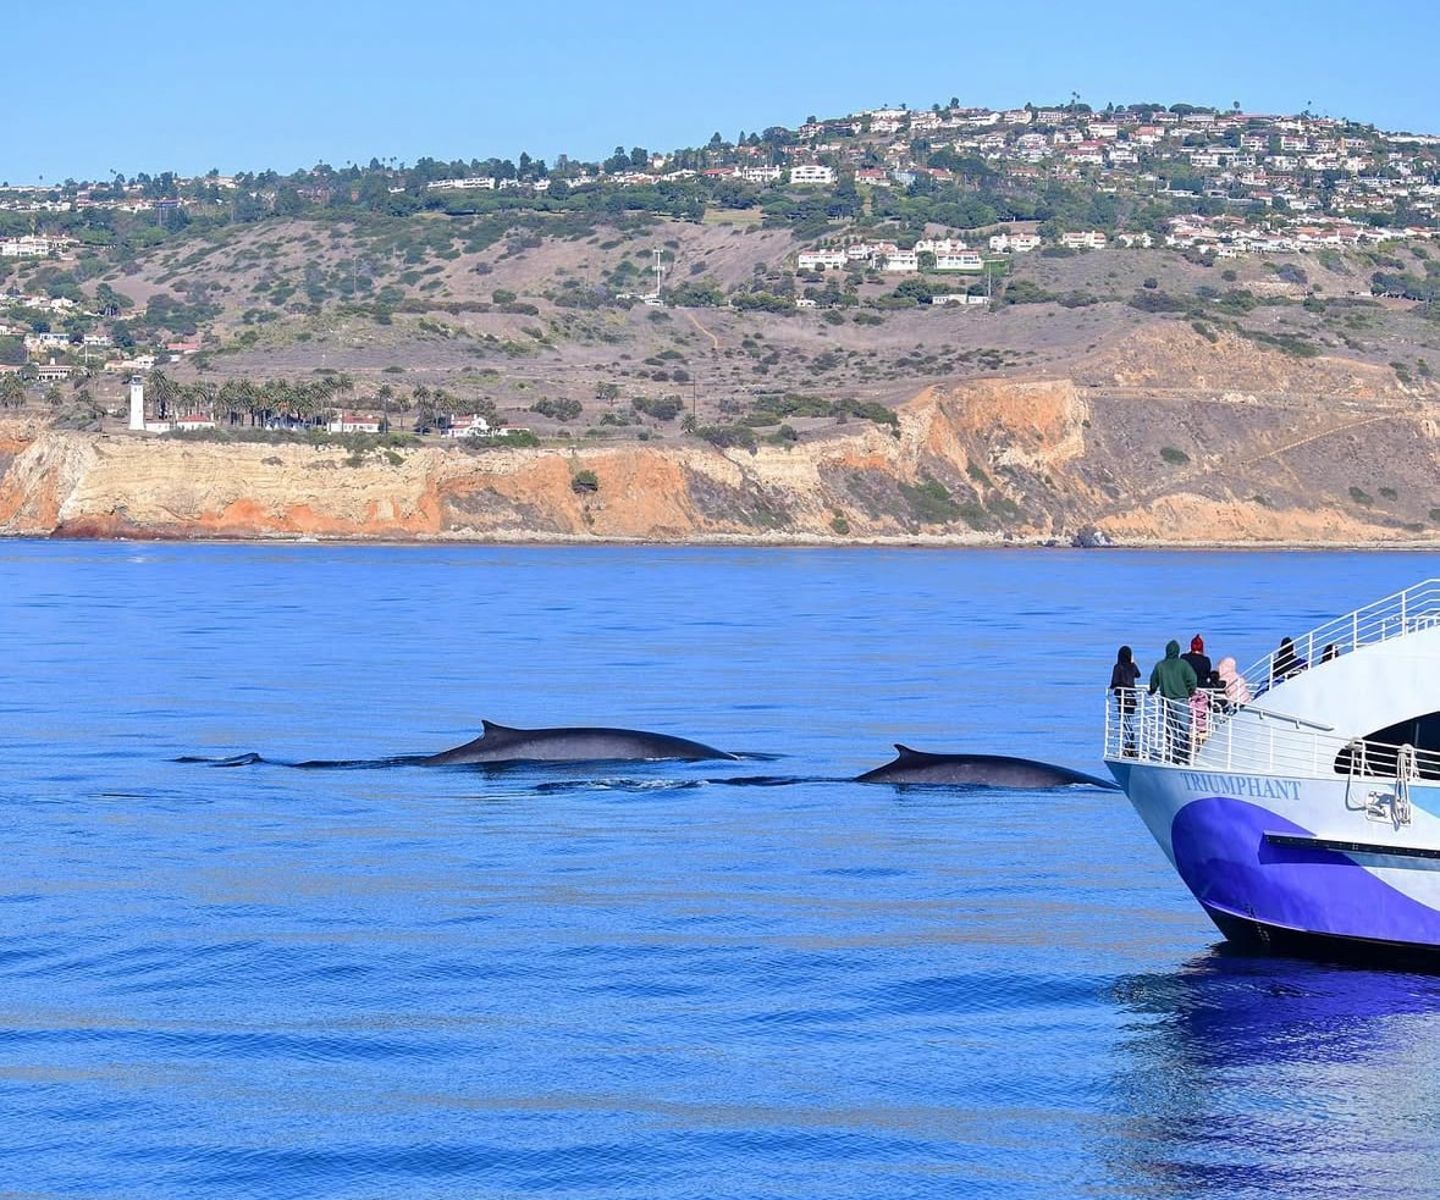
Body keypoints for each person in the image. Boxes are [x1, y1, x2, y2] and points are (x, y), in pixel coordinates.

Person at [1149, 640, 1199, 762]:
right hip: (1182, 699)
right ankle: (1183, 752)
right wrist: (1190, 691)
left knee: (1171, 727)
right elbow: (1193, 679)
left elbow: (1153, 680)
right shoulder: (1183, 664)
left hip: (1167, 700)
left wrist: (1152, 690)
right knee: (1183, 726)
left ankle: (1174, 751)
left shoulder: (1160, 665)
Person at [1181, 636, 1214, 744]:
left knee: (1189, 711)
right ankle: (1200, 733)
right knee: (1201, 713)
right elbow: (1207, 673)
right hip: (1203, 689)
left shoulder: (1184, 658)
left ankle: (1189, 732)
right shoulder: (1206, 660)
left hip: (1188, 689)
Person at [1110, 645, 1141, 756]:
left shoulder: (1118, 667)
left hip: (1122, 698)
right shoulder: (1131, 666)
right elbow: (1138, 675)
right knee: (1130, 721)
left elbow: (1113, 683)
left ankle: (1128, 745)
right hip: (1131, 697)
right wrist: (1133, 662)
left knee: (1125, 721)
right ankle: (1131, 744)